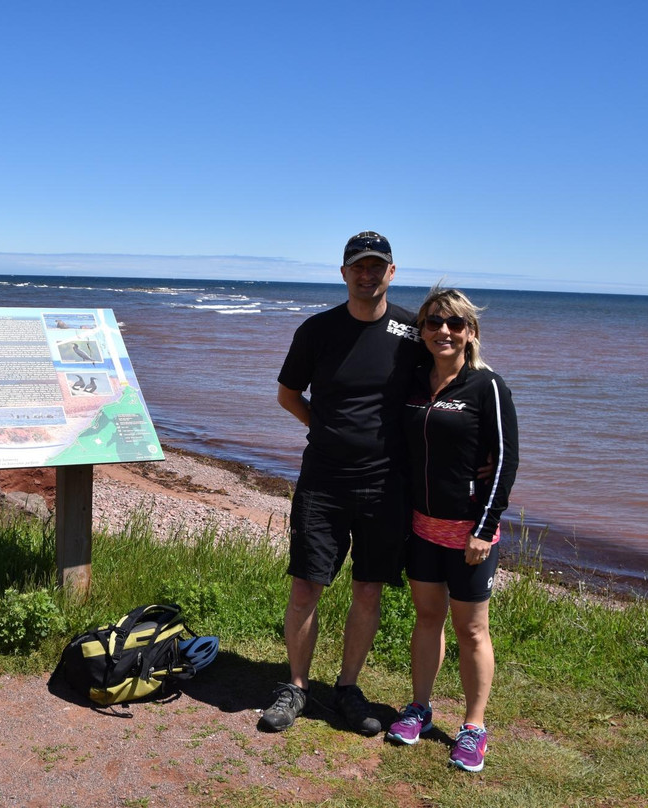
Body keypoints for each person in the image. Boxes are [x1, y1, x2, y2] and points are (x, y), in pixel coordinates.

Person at [260, 231, 421, 735]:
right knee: (307, 585)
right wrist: (323, 429)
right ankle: (298, 688)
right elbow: (288, 394)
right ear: (344, 273)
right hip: (324, 481)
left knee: (368, 589)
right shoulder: (318, 330)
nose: (367, 274)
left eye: (377, 266)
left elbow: (445, 385)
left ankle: (347, 689)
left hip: (386, 484)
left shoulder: (414, 331)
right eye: (358, 266)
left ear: (391, 272)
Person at [384, 286, 518, 773]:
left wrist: (485, 527)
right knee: (426, 618)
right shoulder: (414, 384)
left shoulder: (488, 386)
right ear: (421, 331)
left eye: (454, 323)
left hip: (470, 535)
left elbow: (504, 461)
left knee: (473, 630)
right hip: (421, 527)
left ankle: (474, 728)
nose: (444, 330)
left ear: (470, 332)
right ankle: (419, 708)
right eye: (434, 322)